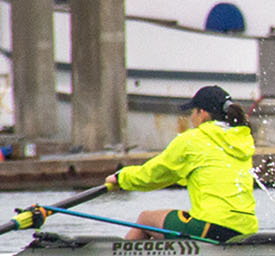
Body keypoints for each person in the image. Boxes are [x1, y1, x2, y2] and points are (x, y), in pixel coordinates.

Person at [103, 85, 256, 241]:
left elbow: (153, 175)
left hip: (211, 226)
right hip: (246, 229)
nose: (191, 118)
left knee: (145, 220)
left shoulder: (192, 140)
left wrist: (120, 178)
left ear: (202, 114)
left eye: (192, 112)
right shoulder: (242, 141)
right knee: (182, 219)